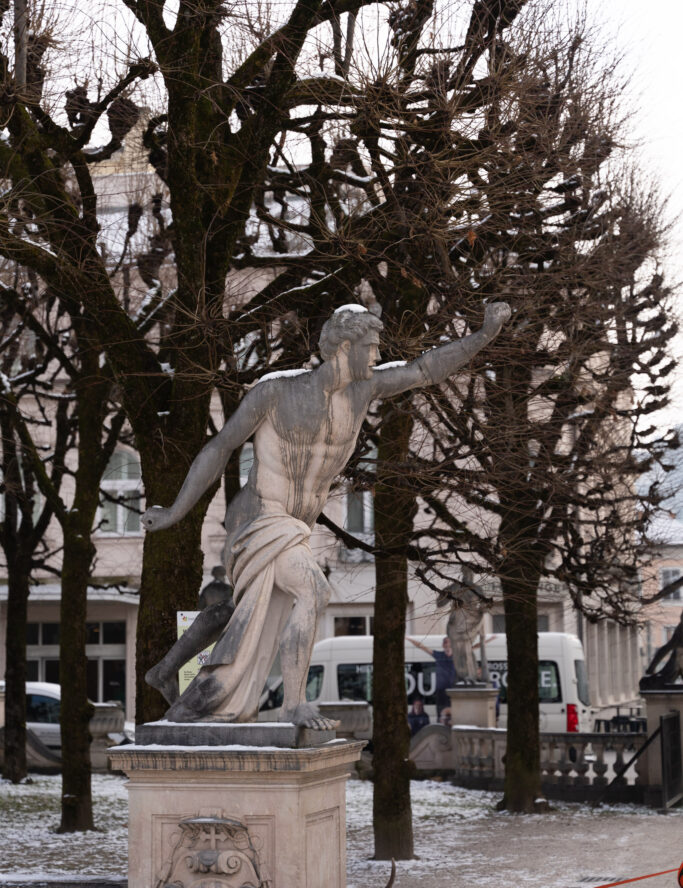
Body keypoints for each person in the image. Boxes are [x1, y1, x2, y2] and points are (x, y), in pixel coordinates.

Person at [142, 301, 511, 728]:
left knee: (246, 618)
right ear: (344, 346)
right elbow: (220, 447)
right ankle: (294, 704)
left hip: (296, 527)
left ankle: (172, 674)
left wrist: (483, 337)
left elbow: (424, 369)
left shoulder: (362, 392)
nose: (377, 356)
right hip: (260, 518)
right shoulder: (276, 392)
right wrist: (174, 513)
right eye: (371, 347)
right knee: (312, 590)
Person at [407, 636, 457, 716]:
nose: (448, 648)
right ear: (443, 646)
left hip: (453, 692)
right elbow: (421, 646)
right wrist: (408, 638)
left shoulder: (457, 656)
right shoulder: (439, 655)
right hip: (441, 693)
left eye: (450, 646)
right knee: (441, 716)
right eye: (446, 646)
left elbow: (471, 649)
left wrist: (483, 642)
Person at [640, 609, 683, 689]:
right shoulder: (680, 632)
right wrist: (651, 669)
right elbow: (665, 649)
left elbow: (665, 649)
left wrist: (651, 669)